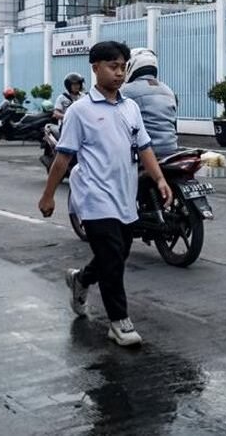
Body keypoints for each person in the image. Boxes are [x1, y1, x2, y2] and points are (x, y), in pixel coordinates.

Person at [38, 41, 172, 348]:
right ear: (95, 68)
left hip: (125, 196)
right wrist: (48, 196)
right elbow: (63, 158)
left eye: (123, 66)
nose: (119, 72)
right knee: (113, 259)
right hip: (94, 198)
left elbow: (145, 147)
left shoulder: (130, 108)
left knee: (117, 254)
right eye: (113, 66)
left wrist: (160, 179)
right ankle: (119, 322)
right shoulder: (80, 111)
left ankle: (81, 279)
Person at [120, 47, 179, 159]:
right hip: (171, 149)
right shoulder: (168, 90)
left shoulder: (126, 90)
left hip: (145, 152)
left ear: (131, 65)